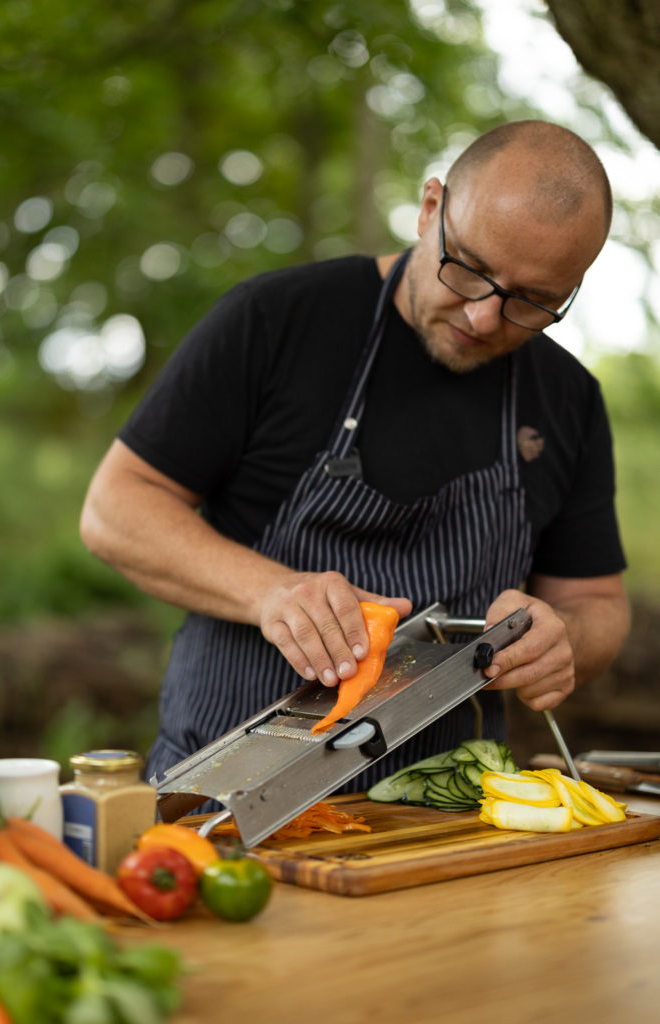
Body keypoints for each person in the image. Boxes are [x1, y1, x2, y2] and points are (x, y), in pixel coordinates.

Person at [80, 120, 630, 793]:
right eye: (471, 270)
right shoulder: (277, 321)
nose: (484, 318)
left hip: (443, 819)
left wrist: (565, 638)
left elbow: (596, 599)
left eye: (532, 301)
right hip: (218, 806)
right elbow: (115, 508)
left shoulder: (566, 397)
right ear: (431, 208)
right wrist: (271, 593)